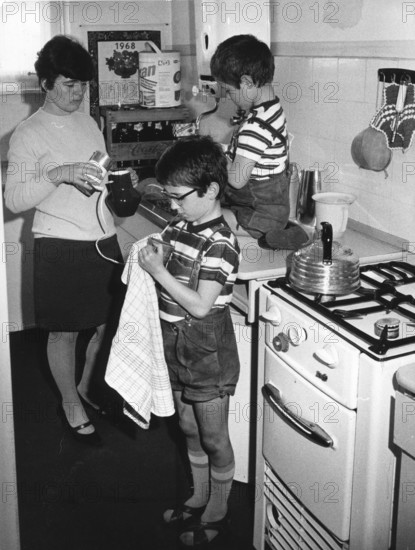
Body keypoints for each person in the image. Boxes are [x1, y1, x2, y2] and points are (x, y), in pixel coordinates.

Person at [4, 35, 124, 446]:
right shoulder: (28, 133)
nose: (78, 94)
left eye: (83, 86)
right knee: (64, 333)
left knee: (110, 325)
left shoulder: (88, 120)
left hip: (103, 237)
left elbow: (98, 174)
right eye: (70, 85)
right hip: (61, 245)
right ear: (46, 83)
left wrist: (117, 185)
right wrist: (59, 174)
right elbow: (14, 200)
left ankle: (88, 385)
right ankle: (70, 402)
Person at [137, 135, 240, 547]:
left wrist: (159, 272)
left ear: (210, 190)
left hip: (206, 349)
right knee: (186, 426)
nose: (173, 206)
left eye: (178, 197)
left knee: (214, 437)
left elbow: (200, 306)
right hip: (173, 343)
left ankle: (219, 507)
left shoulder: (221, 243)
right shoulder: (181, 225)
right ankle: (198, 494)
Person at [209, 34, 309, 249]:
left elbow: (236, 180)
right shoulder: (272, 109)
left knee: (202, 216)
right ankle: (281, 231)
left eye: (228, 90)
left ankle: (273, 235)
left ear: (247, 82)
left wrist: (218, 154)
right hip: (272, 211)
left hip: (255, 217)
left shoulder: (256, 126)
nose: (227, 96)